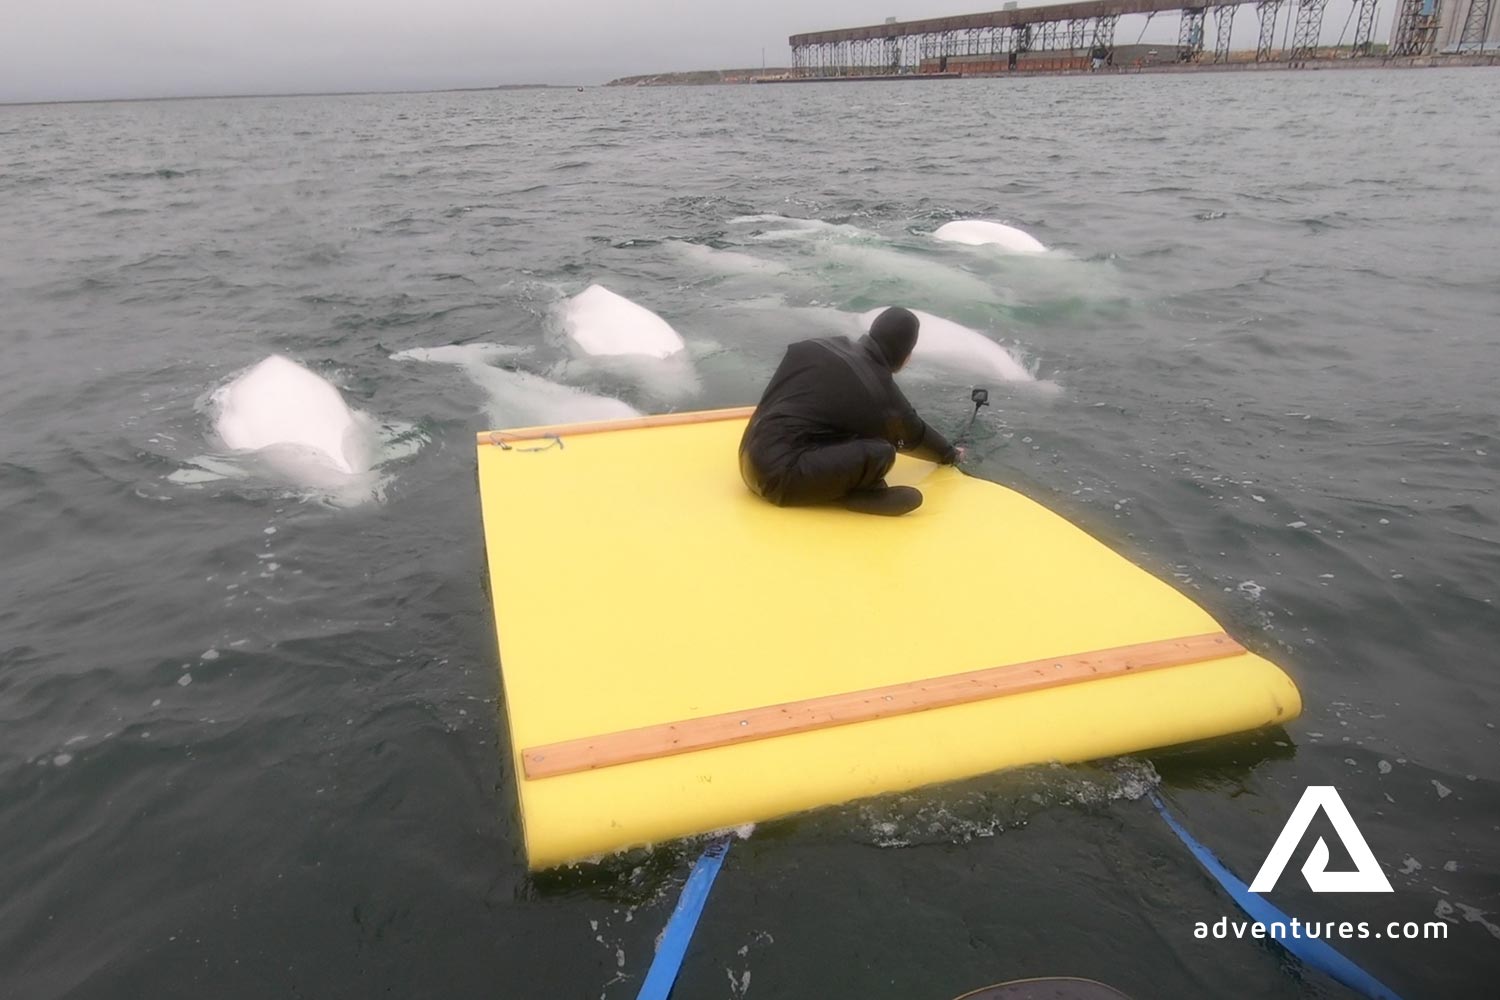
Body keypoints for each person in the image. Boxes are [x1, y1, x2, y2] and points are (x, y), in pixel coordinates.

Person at [738, 307, 961, 517]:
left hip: (748, 454)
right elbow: (914, 435)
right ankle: (850, 496)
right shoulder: (879, 391)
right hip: (777, 480)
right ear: (905, 355)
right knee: (882, 451)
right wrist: (950, 454)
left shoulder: (815, 346)